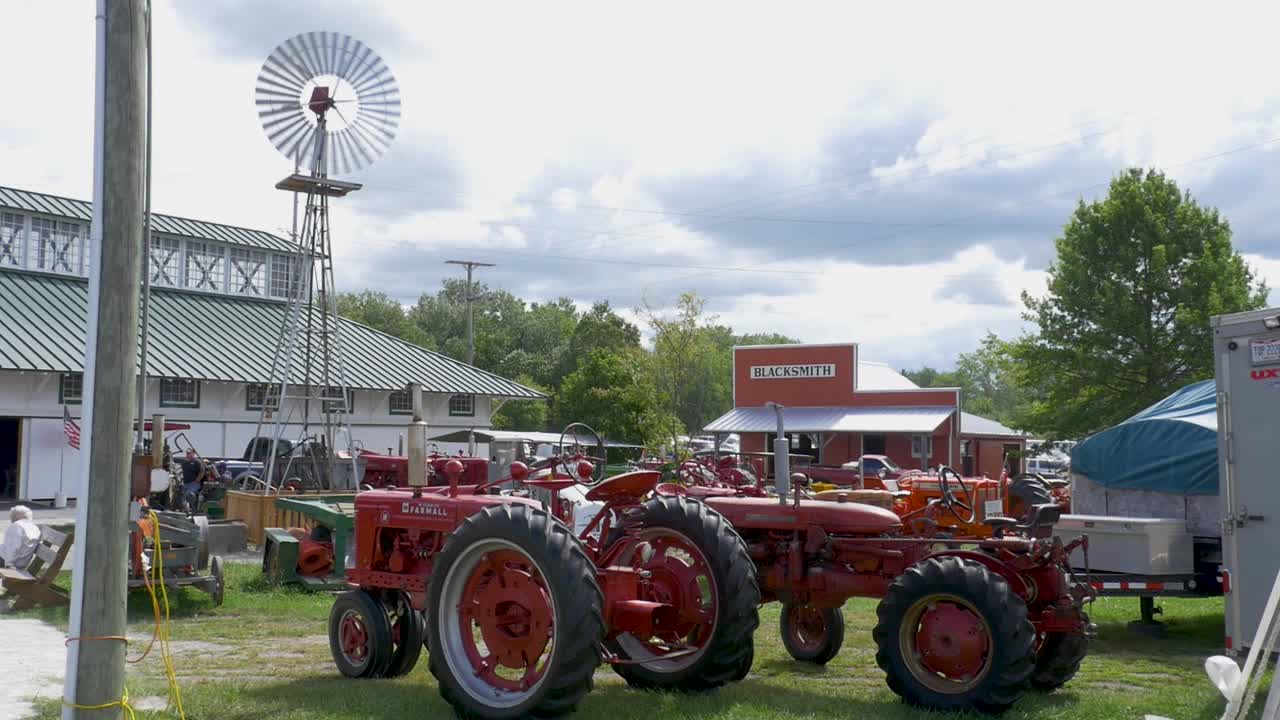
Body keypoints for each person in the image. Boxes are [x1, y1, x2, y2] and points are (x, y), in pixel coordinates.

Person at [0, 505, 41, 570]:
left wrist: (8, 564)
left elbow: (13, 548)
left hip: (9, 562)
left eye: (11, 516)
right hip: (22, 562)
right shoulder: (35, 528)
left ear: (15, 516)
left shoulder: (16, 526)